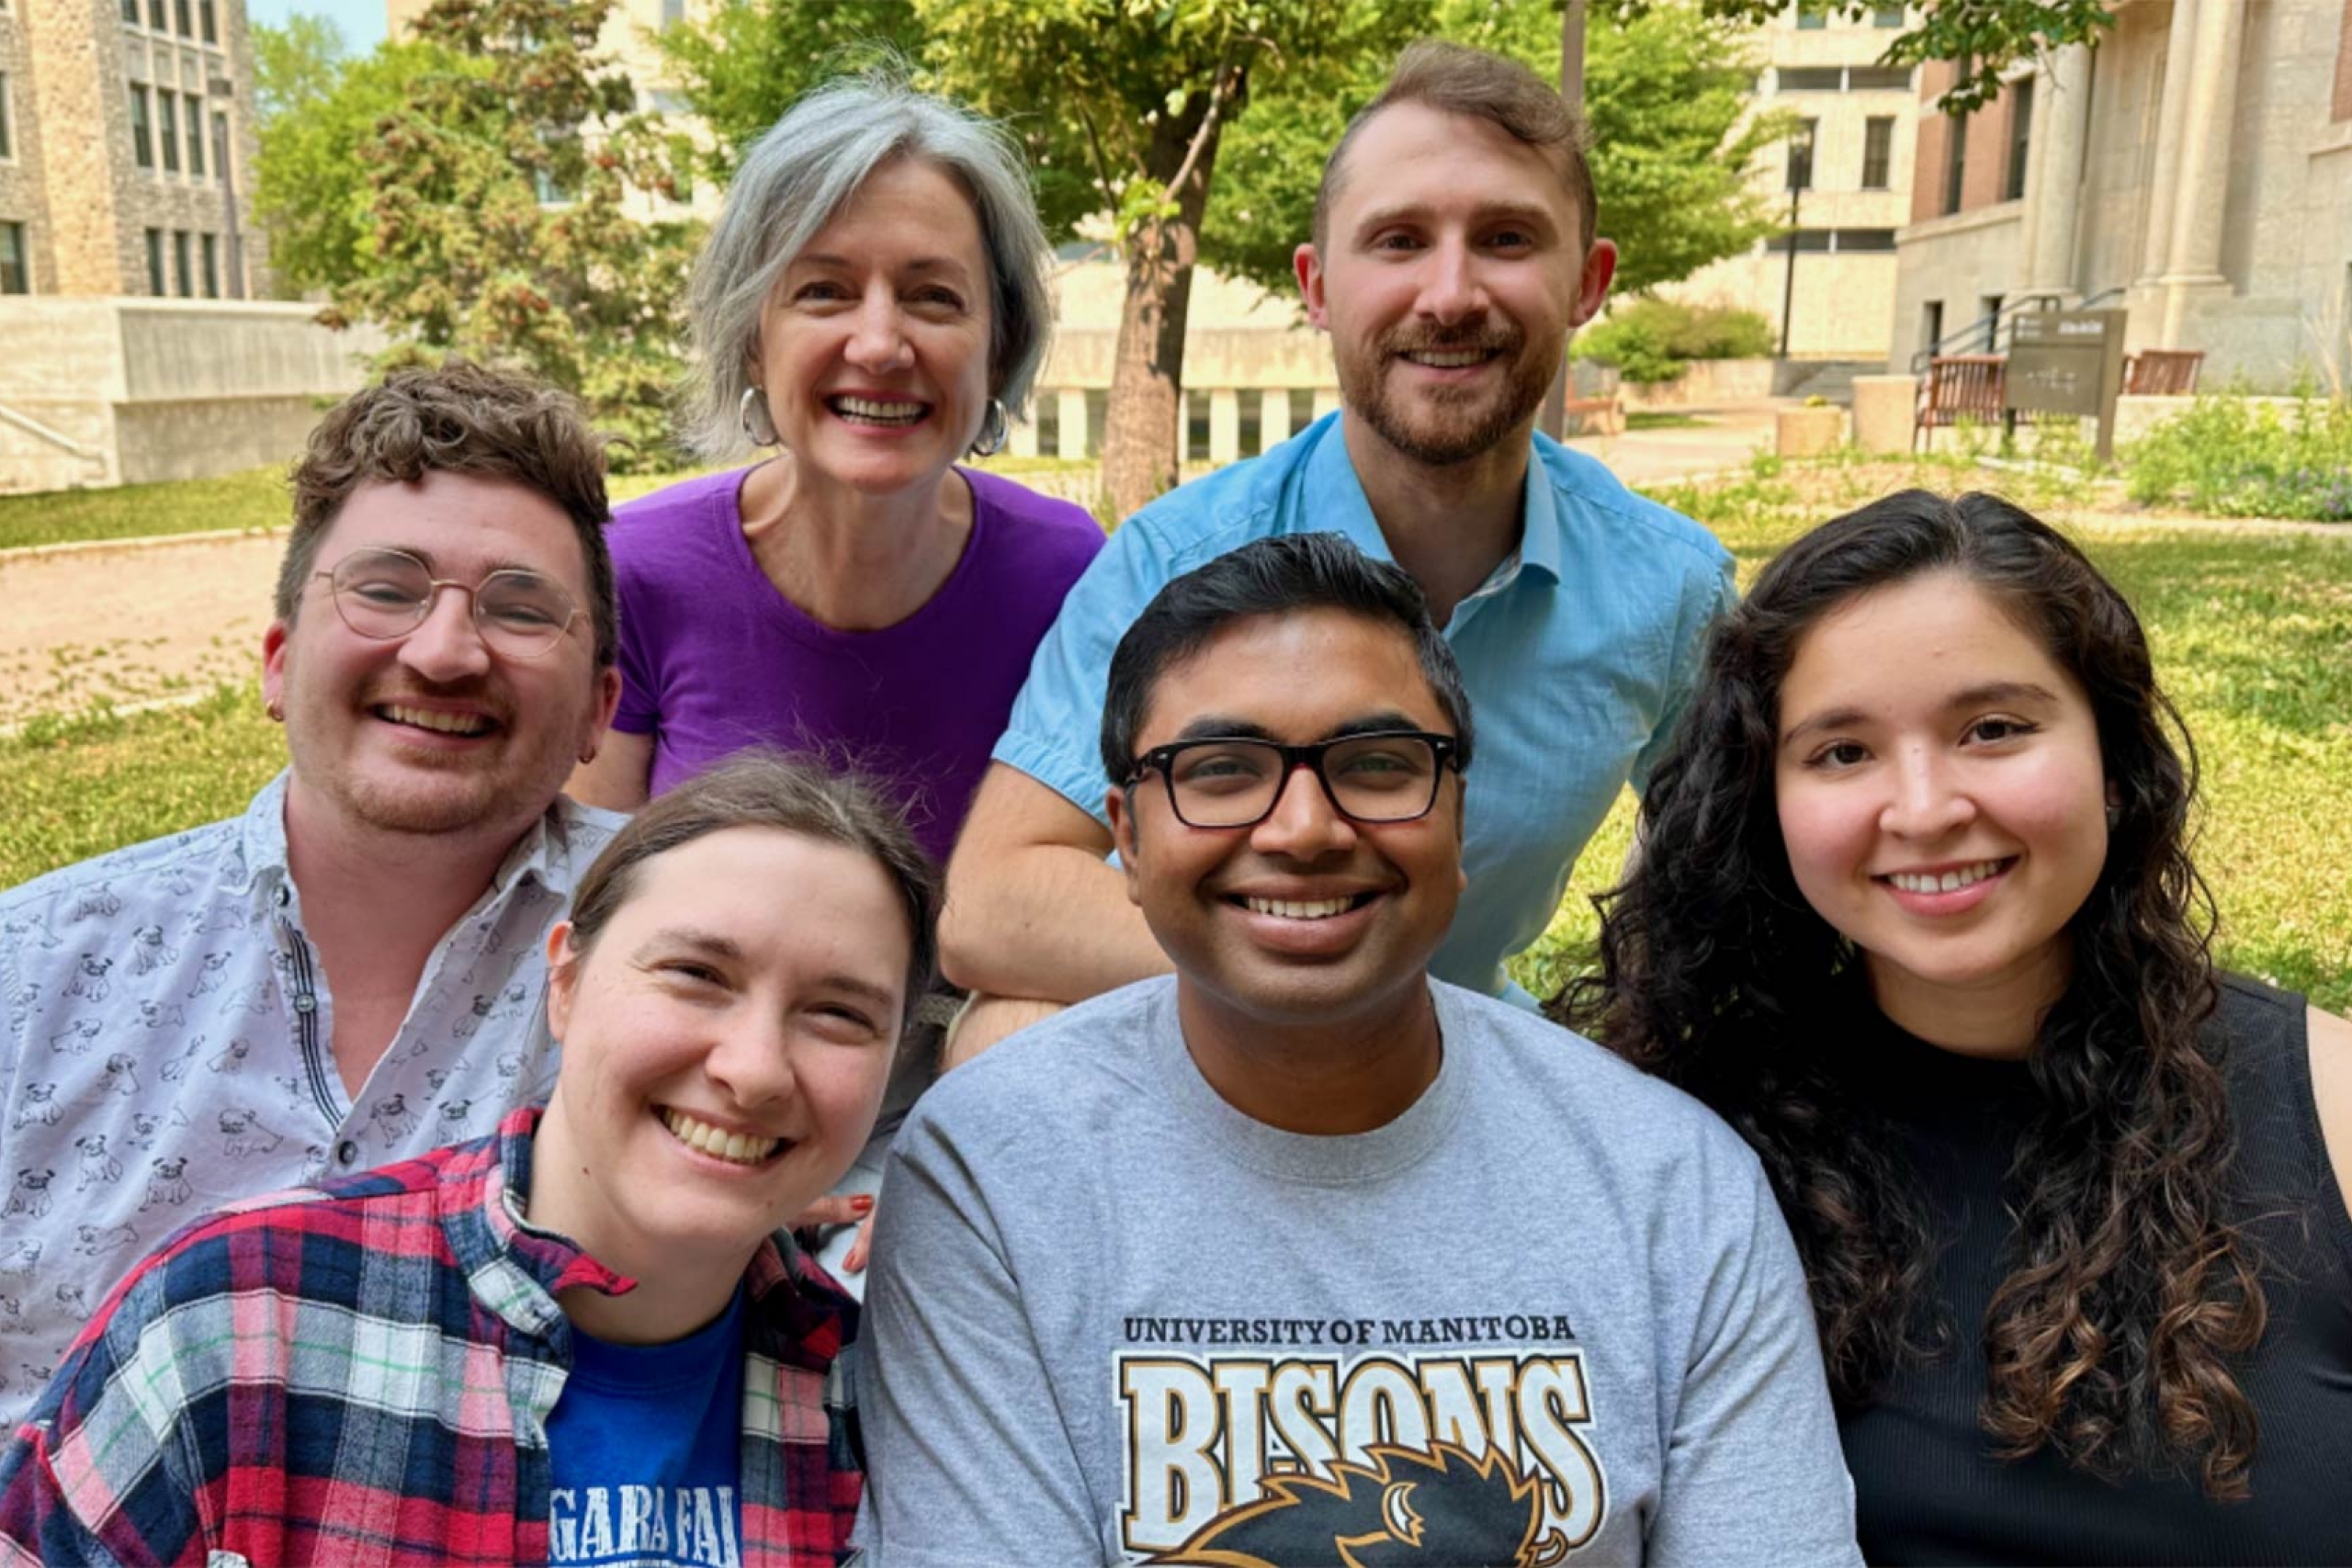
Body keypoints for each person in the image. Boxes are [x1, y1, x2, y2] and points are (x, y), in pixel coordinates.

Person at [855, 535, 1860, 1566]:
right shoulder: (992, 1170)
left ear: (1458, 818)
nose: (1303, 828)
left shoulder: (1672, 1187)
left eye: (1377, 766)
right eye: (1220, 771)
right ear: (1130, 836)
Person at [1560, 491, 2352, 1564]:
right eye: (1841, 751)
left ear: (2113, 763)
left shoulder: (2333, 1109)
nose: (1924, 808)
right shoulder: (1666, 1145)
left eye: (1993, 729)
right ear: (1765, 800)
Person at [939, 40, 1736, 1061]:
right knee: (1002, 1040)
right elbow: (993, 902)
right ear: (1318, 287)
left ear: (1587, 281)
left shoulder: (1667, 588)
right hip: (1198, 1040)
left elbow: (1739, 893)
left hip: (1459, 1073)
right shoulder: (1173, 560)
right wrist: (1337, 991)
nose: (1448, 295)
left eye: (1504, 238)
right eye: (1398, 241)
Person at [0, 750, 934, 1565]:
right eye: (696, 975)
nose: (756, 1069)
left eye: (839, 1014)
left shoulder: (882, 1404)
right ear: (564, 980)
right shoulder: (239, 1318)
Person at [0, 363, 628, 1429]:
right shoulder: (29, 973)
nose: (442, 651)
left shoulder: (714, 961)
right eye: (385, 589)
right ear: (280, 662)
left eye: (521, 609)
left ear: (598, 711)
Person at [566, 73, 1102, 1286]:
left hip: (971, 1082)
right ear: (753, 332)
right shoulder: (639, 575)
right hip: (714, 1078)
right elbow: (588, 909)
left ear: (999, 343)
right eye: (823, 289)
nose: (879, 341)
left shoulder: (1070, 572)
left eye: (932, 296)